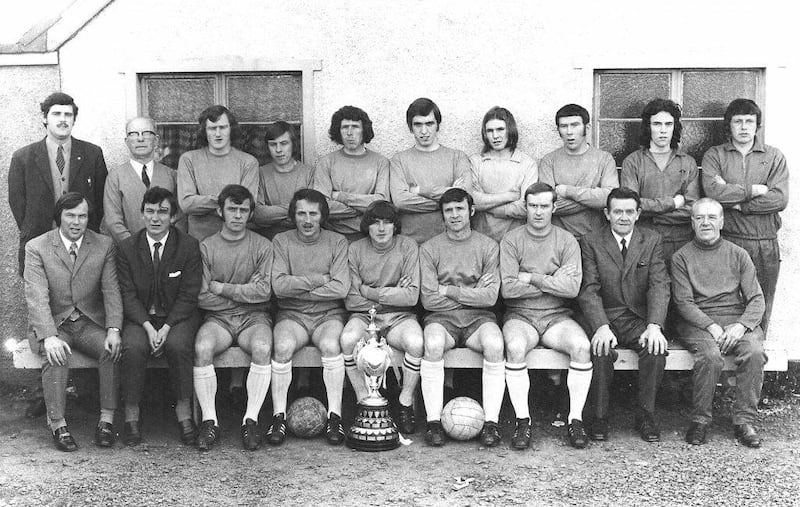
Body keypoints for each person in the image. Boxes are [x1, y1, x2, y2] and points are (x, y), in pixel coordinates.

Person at [23, 192, 122, 451]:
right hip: (55, 323)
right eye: (70, 215)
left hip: (88, 321)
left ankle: (107, 420)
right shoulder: (37, 247)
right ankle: (57, 423)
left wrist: (113, 329)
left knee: (110, 349)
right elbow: (36, 296)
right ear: (59, 218)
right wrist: (48, 336)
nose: (76, 222)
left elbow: (111, 290)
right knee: (56, 355)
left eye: (82, 216)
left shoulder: (103, 245)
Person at [500, 182, 592, 449]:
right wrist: (552, 281)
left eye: (543, 206)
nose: (538, 212)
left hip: (556, 316)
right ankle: (522, 421)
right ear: (525, 207)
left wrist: (530, 277)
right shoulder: (512, 239)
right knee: (515, 347)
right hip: (520, 316)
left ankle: (575, 420)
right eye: (532, 206)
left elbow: (572, 288)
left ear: (554, 207)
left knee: (581, 347)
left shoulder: (566, 240)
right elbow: (508, 289)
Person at [671, 198, 766, 448]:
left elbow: (756, 299)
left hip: (735, 320)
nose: (706, 223)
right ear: (692, 223)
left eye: (712, 217)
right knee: (710, 355)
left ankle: (744, 421)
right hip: (698, 322)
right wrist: (711, 326)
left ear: (722, 222)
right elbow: (683, 302)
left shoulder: (738, 254)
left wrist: (741, 326)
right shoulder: (681, 257)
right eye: (700, 218)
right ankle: (700, 420)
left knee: (754, 351)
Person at [577, 187, 670, 442]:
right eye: (618, 211)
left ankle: (646, 416)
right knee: (600, 349)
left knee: (654, 348)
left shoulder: (651, 240)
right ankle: (599, 417)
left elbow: (659, 285)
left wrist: (654, 326)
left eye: (630, 212)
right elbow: (589, 289)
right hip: (605, 315)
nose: (624, 217)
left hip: (637, 318)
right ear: (607, 213)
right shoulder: (591, 241)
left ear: (638, 214)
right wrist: (600, 326)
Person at [419, 188, 505, 447]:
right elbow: (428, 299)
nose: (454, 215)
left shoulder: (488, 246)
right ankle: (434, 422)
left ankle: (491, 423)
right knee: (432, 345)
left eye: (459, 209)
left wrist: (449, 290)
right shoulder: (429, 248)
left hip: (479, 318)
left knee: (495, 345)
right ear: (442, 215)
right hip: (441, 318)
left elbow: (490, 297)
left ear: (471, 211)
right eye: (448, 211)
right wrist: (473, 291)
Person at [116, 187, 201, 446]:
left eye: (162, 212)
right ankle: (131, 415)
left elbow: (189, 295)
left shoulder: (187, 246)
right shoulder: (128, 247)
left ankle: (184, 412)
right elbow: (128, 295)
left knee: (178, 345)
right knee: (133, 346)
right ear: (141, 214)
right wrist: (148, 327)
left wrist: (165, 328)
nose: (155, 218)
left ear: (173, 216)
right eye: (150, 211)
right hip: (140, 318)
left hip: (177, 317)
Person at [193, 185, 273, 451]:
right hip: (219, 319)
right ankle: (209, 421)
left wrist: (224, 288)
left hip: (254, 317)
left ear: (250, 214)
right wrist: (243, 292)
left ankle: (250, 420)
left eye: (243, 210)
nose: (237, 215)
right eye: (232, 209)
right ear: (220, 211)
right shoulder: (207, 247)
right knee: (202, 347)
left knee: (262, 347)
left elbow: (263, 293)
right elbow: (203, 297)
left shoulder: (262, 245)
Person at [267, 189, 350, 446]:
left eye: (313, 214)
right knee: (281, 347)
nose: (307, 220)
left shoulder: (337, 241)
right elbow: (279, 287)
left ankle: (335, 416)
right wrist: (318, 280)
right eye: (301, 213)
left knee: (331, 345)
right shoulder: (281, 241)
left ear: (322, 215)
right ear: (293, 215)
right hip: (293, 315)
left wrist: (299, 287)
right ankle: (277, 417)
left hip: (329, 315)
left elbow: (340, 288)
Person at [701, 98, 788, 335]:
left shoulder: (773, 157)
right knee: (725, 305)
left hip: (764, 243)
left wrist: (740, 205)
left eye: (749, 121)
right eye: (737, 121)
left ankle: (754, 361)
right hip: (728, 240)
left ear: (757, 125)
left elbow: (779, 199)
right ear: (728, 125)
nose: (743, 127)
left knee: (760, 305)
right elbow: (713, 192)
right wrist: (754, 190)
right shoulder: (715, 155)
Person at [340, 200, 422, 434]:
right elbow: (352, 300)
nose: (382, 228)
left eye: (387, 222)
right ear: (367, 227)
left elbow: (411, 297)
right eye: (375, 223)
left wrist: (369, 291)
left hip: (399, 317)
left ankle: (405, 403)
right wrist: (393, 292)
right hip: (364, 317)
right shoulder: (355, 249)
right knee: (347, 340)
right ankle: (363, 401)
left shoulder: (408, 246)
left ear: (395, 226)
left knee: (416, 343)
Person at [9, 92, 108, 275]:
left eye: (68, 115)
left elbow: (101, 200)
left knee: (84, 298)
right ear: (45, 118)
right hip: (40, 242)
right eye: (56, 114)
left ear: (74, 120)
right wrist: (36, 226)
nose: (63, 120)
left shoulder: (92, 154)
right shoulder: (23, 158)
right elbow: (17, 203)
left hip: (83, 243)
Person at [620, 99, 700, 269]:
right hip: (643, 241)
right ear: (648, 127)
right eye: (657, 124)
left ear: (675, 127)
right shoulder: (632, 162)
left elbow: (692, 209)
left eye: (668, 124)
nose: (663, 130)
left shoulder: (688, 163)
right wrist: (673, 203)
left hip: (682, 242)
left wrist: (652, 214)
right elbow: (630, 205)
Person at [390, 97, 472, 244]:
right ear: (410, 128)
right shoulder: (399, 160)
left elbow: (465, 197)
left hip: (450, 242)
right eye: (417, 125)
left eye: (429, 123)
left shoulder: (457, 157)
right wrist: (448, 197)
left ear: (438, 126)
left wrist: (419, 190)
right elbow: (400, 202)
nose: (424, 131)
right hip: (412, 243)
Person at [177, 105, 259, 241]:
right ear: (205, 131)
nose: (218, 134)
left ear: (231, 129)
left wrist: (204, 203)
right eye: (212, 128)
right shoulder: (188, 159)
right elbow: (187, 204)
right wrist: (227, 202)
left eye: (223, 127)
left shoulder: (248, 162)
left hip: (236, 241)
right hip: (199, 241)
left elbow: (247, 206)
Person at [538, 104, 618, 240]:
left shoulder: (604, 159)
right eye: (564, 126)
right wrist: (592, 197)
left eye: (575, 125)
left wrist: (567, 191)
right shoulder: (549, 161)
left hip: (597, 239)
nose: (569, 132)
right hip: (559, 239)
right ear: (558, 130)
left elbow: (610, 199)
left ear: (586, 128)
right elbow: (547, 205)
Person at [314, 106, 390, 241]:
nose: (350, 133)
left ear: (364, 130)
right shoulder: (326, 162)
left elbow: (382, 203)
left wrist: (340, 196)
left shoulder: (381, 162)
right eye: (345, 127)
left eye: (355, 126)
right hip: (332, 236)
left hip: (370, 237)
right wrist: (364, 207)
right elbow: (321, 208)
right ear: (338, 130)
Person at [104, 116, 182, 244]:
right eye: (134, 134)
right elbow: (113, 221)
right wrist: (135, 247)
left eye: (146, 133)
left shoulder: (171, 175)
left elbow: (179, 217)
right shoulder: (115, 177)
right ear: (127, 141)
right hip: (130, 252)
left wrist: (169, 245)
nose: (140, 139)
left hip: (167, 251)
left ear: (156, 140)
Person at [470, 106, 538, 242]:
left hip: (517, 241)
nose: (495, 136)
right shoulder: (476, 162)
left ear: (510, 129)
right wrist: (509, 196)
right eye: (490, 131)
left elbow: (527, 207)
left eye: (500, 129)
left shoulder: (527, 163)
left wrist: (488, 206)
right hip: (482, 240)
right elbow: (471, 202)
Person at [252, 121, 315, 239]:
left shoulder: (309, 173)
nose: (278, 150)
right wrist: (296, 209)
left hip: (303, 240)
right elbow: (258, 215)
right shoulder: (260, 173)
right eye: (273, 144)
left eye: (284, 143)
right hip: (270, 240)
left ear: (293, 144)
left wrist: (273, 216)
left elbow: (312, 213)